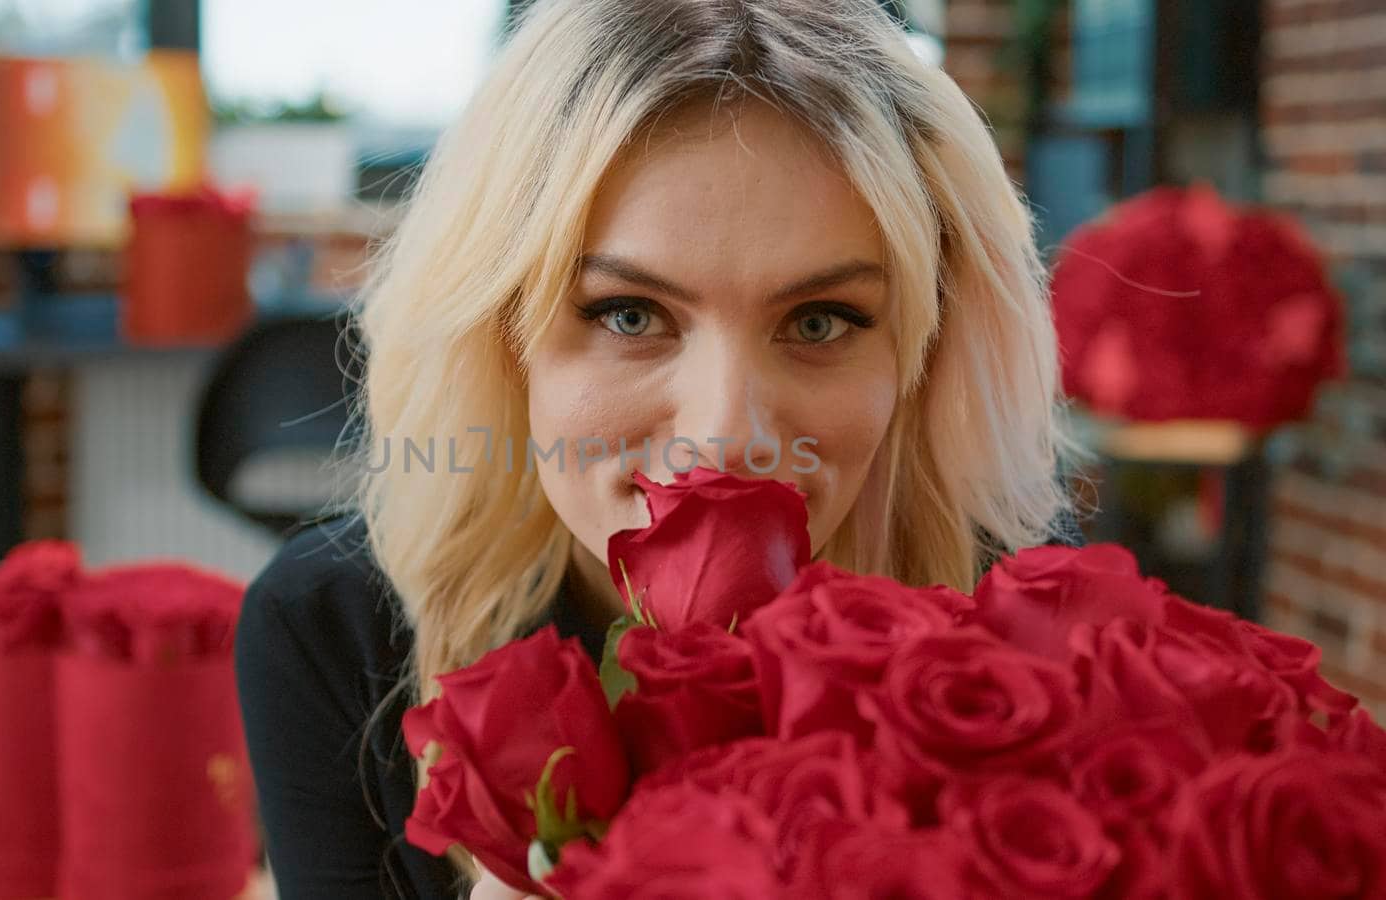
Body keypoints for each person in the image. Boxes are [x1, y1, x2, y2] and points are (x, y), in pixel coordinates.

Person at [234, 1, 1083, 897]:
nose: (725, 436)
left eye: (820, 321)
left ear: (921, 349)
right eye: (629, 316)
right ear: (500, 332)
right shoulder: (333, 631)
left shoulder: (1026, 631)